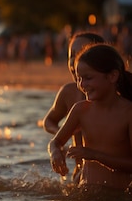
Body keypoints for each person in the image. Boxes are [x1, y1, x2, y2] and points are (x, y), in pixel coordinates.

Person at [49, 44, 132, 188]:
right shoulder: (81, 110)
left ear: (112, 76)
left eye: (88, 78)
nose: (82, 84)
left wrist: (96, 156)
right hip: (85, 198)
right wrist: (55, 152)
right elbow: (55, 142)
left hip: (119, 199)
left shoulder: (128, 113)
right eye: (79, 78)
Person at [42, 32, 106, 182]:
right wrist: (61, 136)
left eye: (82, 54)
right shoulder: (69, 93)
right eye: (72, 55)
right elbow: (48, 121)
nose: (75, 62)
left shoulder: (119, 101)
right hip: (79, 178)